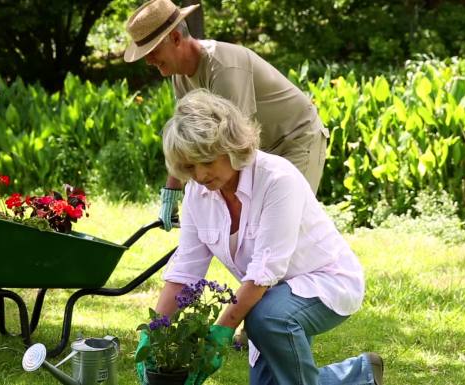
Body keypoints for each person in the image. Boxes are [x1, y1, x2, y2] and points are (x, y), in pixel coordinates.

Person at [135, 89, 383, 385]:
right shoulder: (197, 194)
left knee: (267, 318)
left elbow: (264, 273)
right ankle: (359, 375)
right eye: (189, 166)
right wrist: (153, 334)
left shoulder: (277, 179)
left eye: (206, 161)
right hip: (268, 298)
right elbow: (185, 270)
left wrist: (220, 334)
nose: (199, 175)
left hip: (326, 282)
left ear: (229, 146)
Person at [123, 0, 329, 232]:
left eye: (152, 51)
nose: (148, 60)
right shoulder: (180, 76)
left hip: (296, 138)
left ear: (176, 39)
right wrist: (171, 192)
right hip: (260, 144)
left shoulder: (224, 68)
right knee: (255, 230)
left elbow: (236, 143)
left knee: (285, 224)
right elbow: (186, 141)